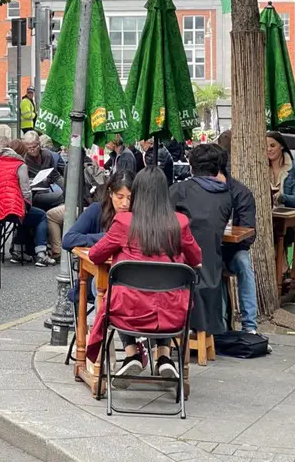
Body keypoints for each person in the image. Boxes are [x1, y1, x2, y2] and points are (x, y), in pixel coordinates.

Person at [86, 167, 203, 384]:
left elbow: (95, 255)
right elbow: (196, 258)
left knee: (120, 298)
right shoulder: (180, 222)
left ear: (137, 193)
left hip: (130, 311)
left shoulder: (124, 223)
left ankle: (132, 353)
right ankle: (164, 357)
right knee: (166, 294)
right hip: (173, 313)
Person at [170, 144, 232, 337]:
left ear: (191, 166)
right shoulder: (226, 196)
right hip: (212, 271)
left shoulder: (178, 191)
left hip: (179, 274)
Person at [0, 139, 56, 267]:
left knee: (25, 213)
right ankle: (41, 254)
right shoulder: (20, 165)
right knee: (40, 215)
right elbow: (26, 192)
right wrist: (29, 203)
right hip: (12, 208)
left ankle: (18, 250)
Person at [216, 144, 259, 334]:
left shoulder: (241, 193)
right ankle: (218, 325)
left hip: (231, 251)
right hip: (206, 250)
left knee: (243, 261)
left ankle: (249, 325)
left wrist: (229, 238)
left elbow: (249, 232)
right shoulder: (196, 192)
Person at [267, 131, 295, 208]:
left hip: (287, 217)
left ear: (281, 146)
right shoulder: (260, 169)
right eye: (265, 146)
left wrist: (281, 197)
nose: (269, 149)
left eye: (272, 146)